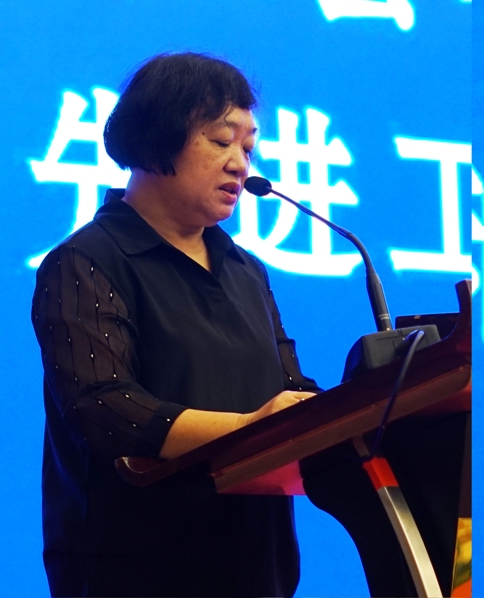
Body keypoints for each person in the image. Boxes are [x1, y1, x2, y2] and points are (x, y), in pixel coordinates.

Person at [31, 52, 320, 597]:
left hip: (255, 565)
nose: (241, 165)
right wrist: (250, 428)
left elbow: (288, 387)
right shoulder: (86, 261)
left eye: (248, 148)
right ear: (156, 138)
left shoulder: (246, 271)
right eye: (221, 141)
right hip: (136, 569)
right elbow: (104, 409)